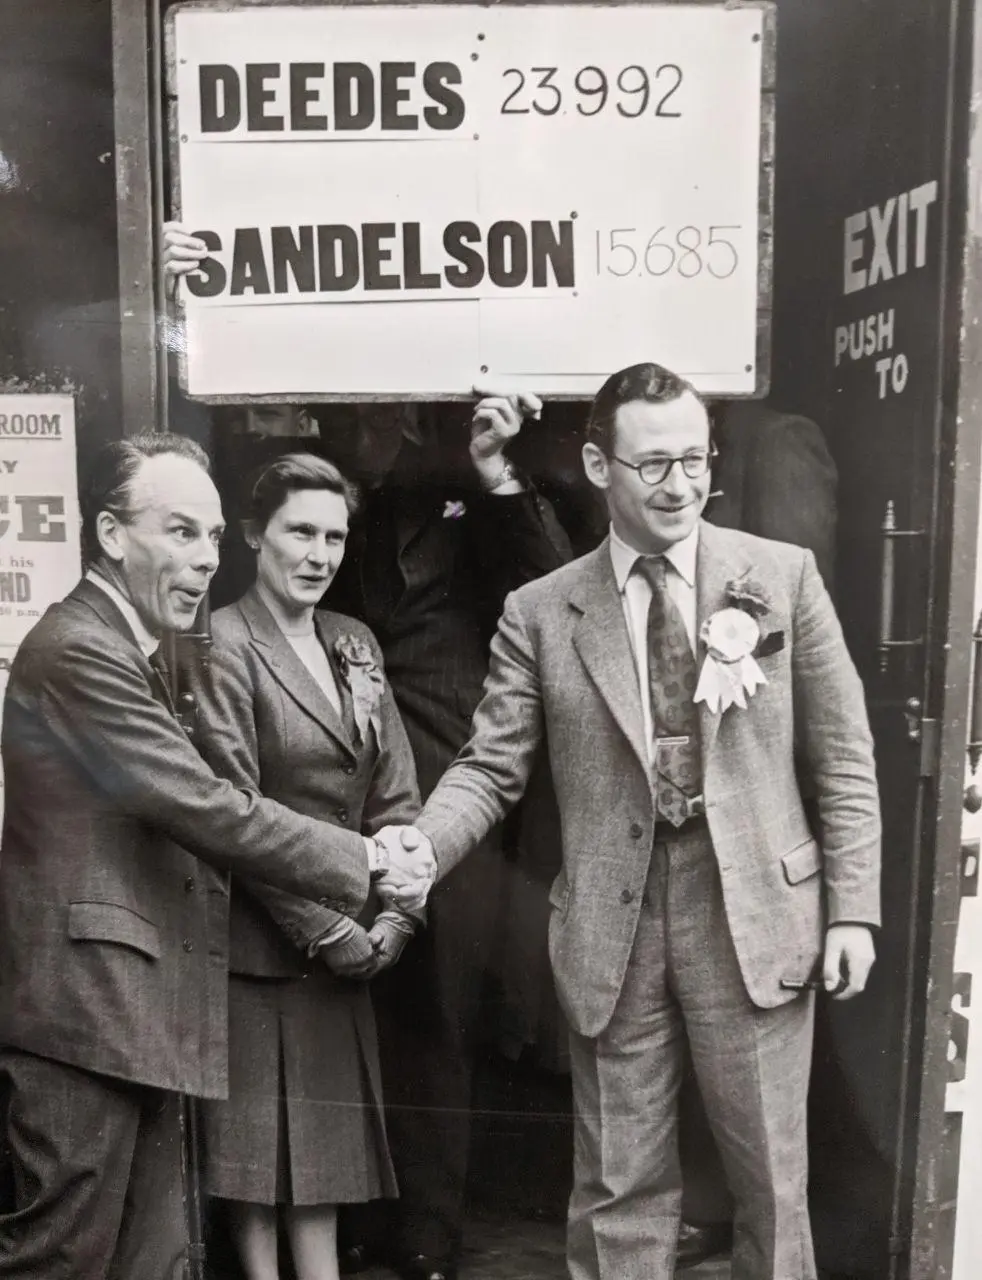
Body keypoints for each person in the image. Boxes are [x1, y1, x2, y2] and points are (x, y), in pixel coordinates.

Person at [381, 361, 882, 1279]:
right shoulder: (541, 611)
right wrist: (424, 842)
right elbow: (490, 766)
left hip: (755, 915)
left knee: (772, 1186)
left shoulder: (780, 578)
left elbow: (843, 757)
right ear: (597, 466)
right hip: (613, 924)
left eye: (695, 460)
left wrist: (851, 909)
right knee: (618, 1191)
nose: (680, 485)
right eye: (653, 465)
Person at [165, 210, 575, 1280]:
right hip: (307, 831)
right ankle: (344, 1231)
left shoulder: (469, 493)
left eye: (403, 403)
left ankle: (426, 1233)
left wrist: (495, 474)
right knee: (307, 1049)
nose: (386, 416)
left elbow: (555, 594)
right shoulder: (309, 510)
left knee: (438, 1018)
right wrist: (179, 305)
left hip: (441, 807)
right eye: (370, 402)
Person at [0, 433, 432, 1279]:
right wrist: (371, 860)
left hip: (129, 1015)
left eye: (208, 534)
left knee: (143, 1261)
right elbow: (205, 805)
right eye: (179, 531)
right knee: (64, 1259)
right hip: (85, 1021)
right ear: (111, 534)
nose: (204, 558)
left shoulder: (132, 647)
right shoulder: (81, 650)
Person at [191, 453, 421, 1280]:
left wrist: (398, 914)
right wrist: (327, 929)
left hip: (354, 947)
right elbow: (233, 811)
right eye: (300, 533)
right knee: (255, 1170)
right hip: (260, 952)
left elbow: (396, 792)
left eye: (334, 537)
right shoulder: (222, 643)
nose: (319, 555)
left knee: (323, 1167)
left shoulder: (353, 642)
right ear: (254, 535)